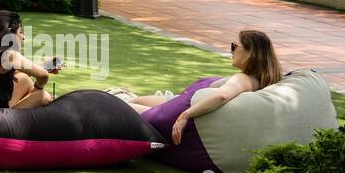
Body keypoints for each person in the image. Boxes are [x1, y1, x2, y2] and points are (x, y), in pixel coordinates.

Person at [120, 30, 283, 144]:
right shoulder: (263, 80)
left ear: (251, 53)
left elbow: (222, 96)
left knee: (123, 106)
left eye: (235, 45)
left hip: (177, 110)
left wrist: (185, 115)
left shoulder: (243, 79)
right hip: (177, 101)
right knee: (134, 98)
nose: (231, 50)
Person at [0, 10, 58, 109]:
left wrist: (46, 64)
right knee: (43, 96)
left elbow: (18, 71)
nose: (23, 37)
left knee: (24, 79)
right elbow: (43, 75)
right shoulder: (10, 55)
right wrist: (37, 88)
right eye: (20, 32)